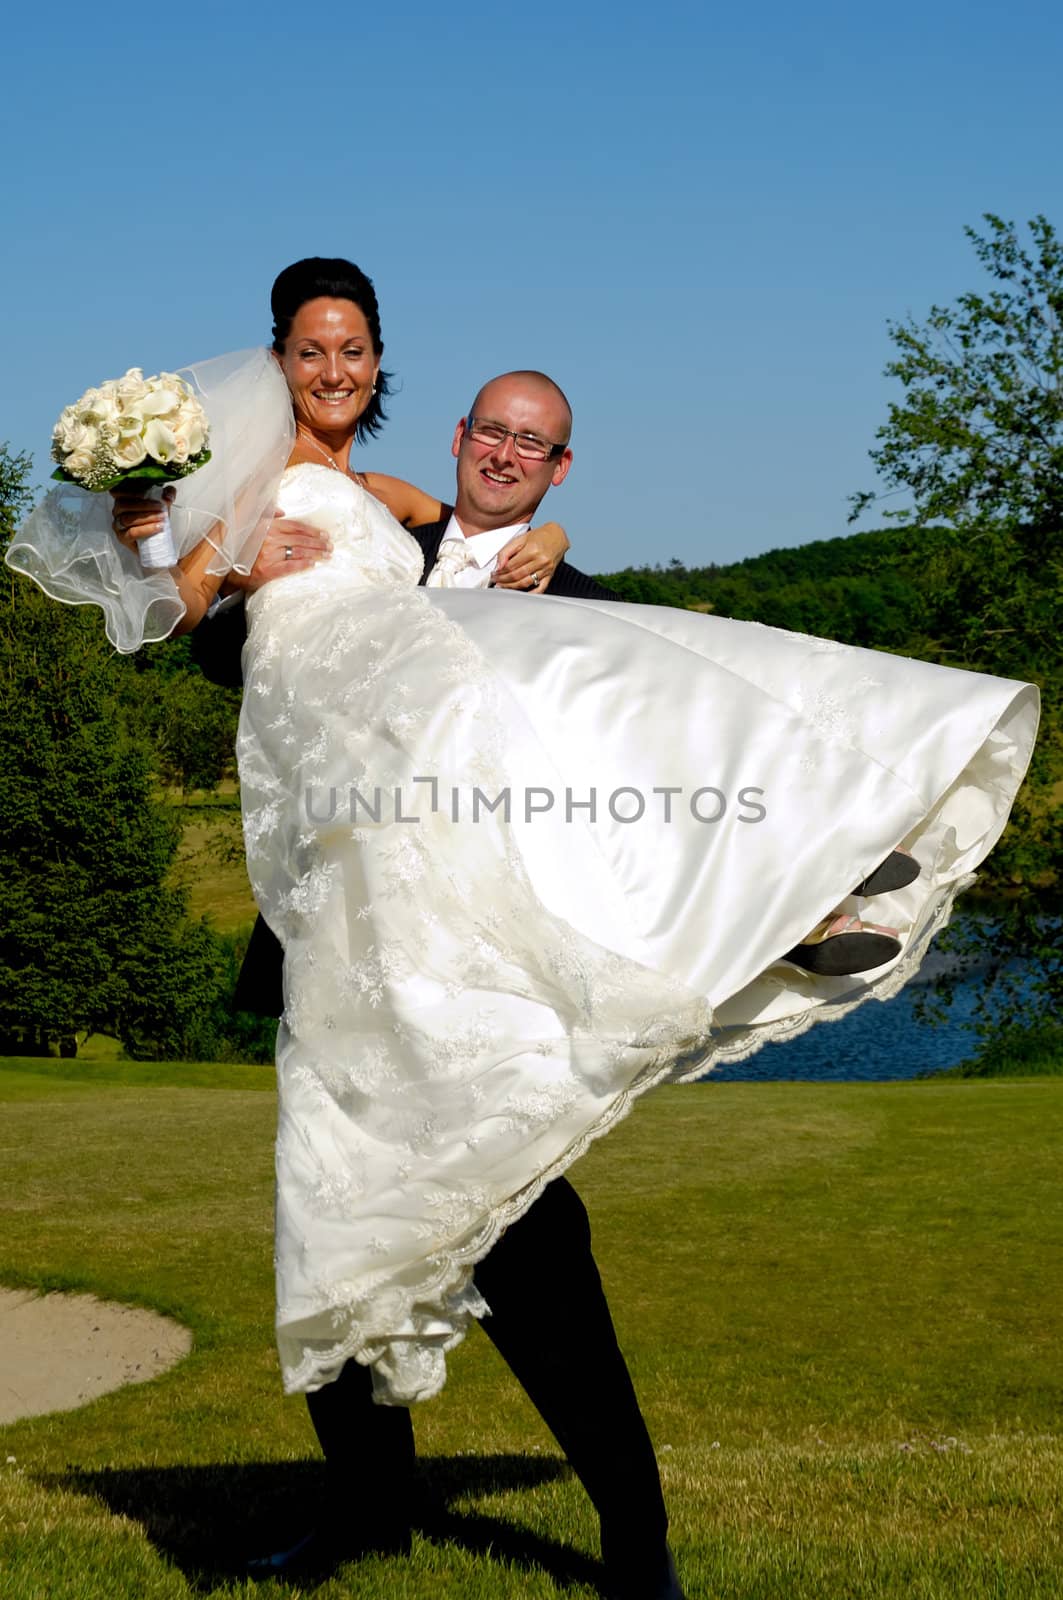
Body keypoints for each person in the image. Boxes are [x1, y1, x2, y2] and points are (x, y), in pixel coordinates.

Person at [7, 258, 1039, 1600]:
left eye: (356, 348)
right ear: (283, 362)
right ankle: (369, 1508)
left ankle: (635, 1534)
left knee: (526, 1236)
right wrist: (168, 520)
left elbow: (604, 661)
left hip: (483, 949)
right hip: (346, 937)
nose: (334, 368)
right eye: (314, 348)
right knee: (339, 1201)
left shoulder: (437, 523)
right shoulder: (264, 506)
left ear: (386, 371)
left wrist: (542, 559)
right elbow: (175, 606)